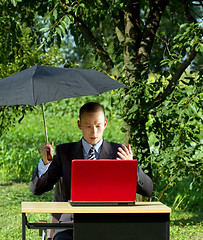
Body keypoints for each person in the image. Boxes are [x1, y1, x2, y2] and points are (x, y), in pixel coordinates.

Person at [30, 102, 153, 240]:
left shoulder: (118, 152)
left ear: (105, 124)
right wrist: (45, 164)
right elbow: (37, 190)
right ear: (79, 125)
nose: (94, 132)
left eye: (98, 126)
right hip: (71, 225)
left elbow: (148, 190)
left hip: (110, 224)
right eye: (88, 126)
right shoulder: (64, 152)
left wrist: (131, 167)